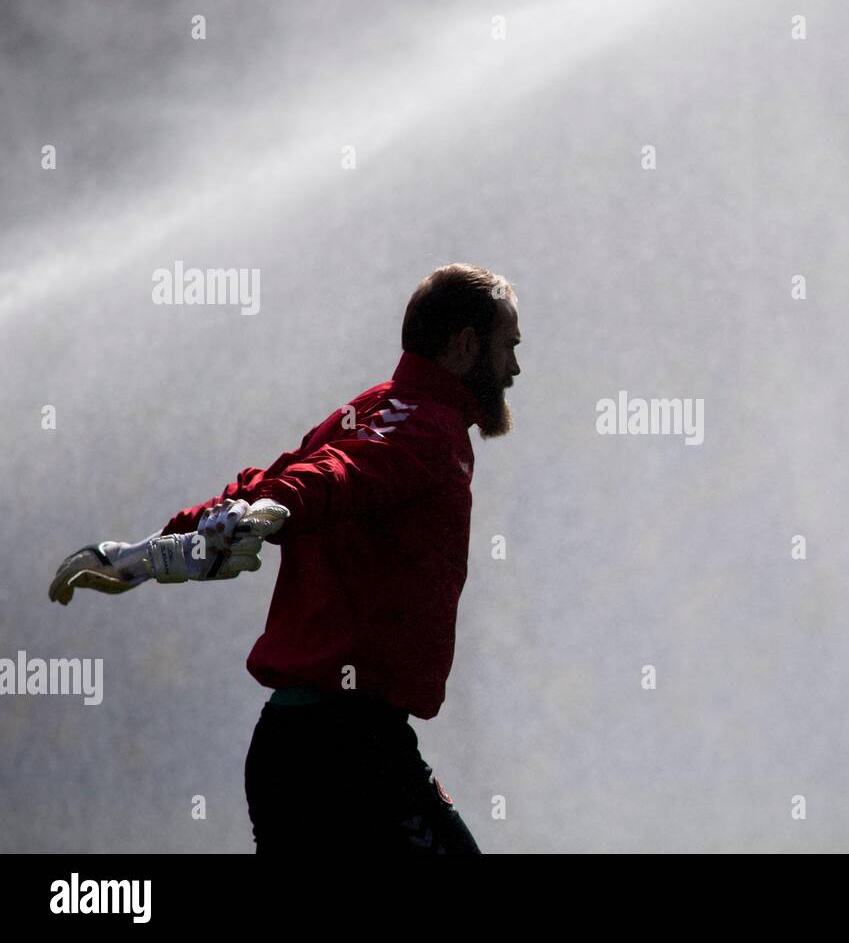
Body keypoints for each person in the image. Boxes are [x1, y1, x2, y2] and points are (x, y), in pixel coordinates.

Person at [48, 263, 522, 854]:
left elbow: (278, 481)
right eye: (509, 347)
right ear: (465, 345)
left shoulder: (379, 406)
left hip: (297, 745)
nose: (515, 369)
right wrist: (273, 508)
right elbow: (334, 476)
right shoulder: (428, 428)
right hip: (348, 753)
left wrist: (139, 555)